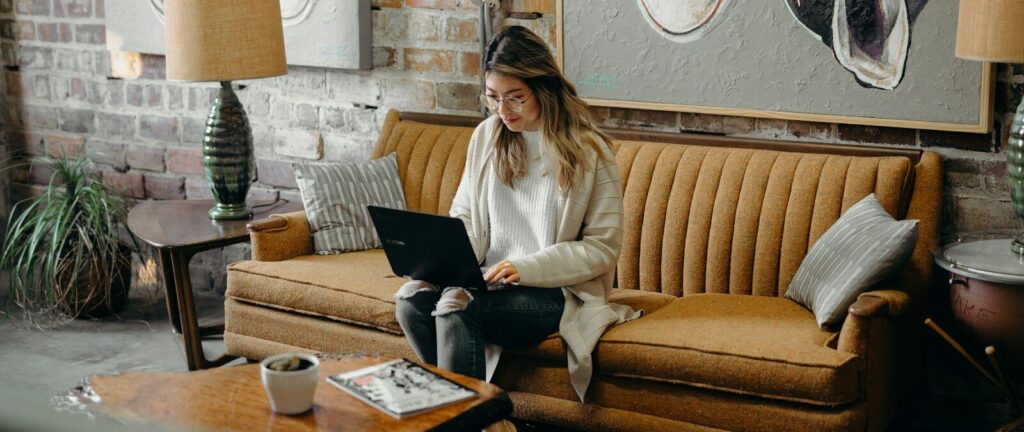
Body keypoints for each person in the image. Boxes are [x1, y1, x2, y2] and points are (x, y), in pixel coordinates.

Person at [394, 25, 640, 403]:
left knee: (458, 305)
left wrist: (527, 267)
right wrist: (441, 262)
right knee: (411, 300)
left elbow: (602, 247)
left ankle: (466, 417)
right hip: (487, 282)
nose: (502, 111)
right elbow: (467, 219)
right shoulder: (486, 136)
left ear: (543, 89)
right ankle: (467, 414)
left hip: (554, 291)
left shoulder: (590, 150)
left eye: (515, 98)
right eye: (493, 98)